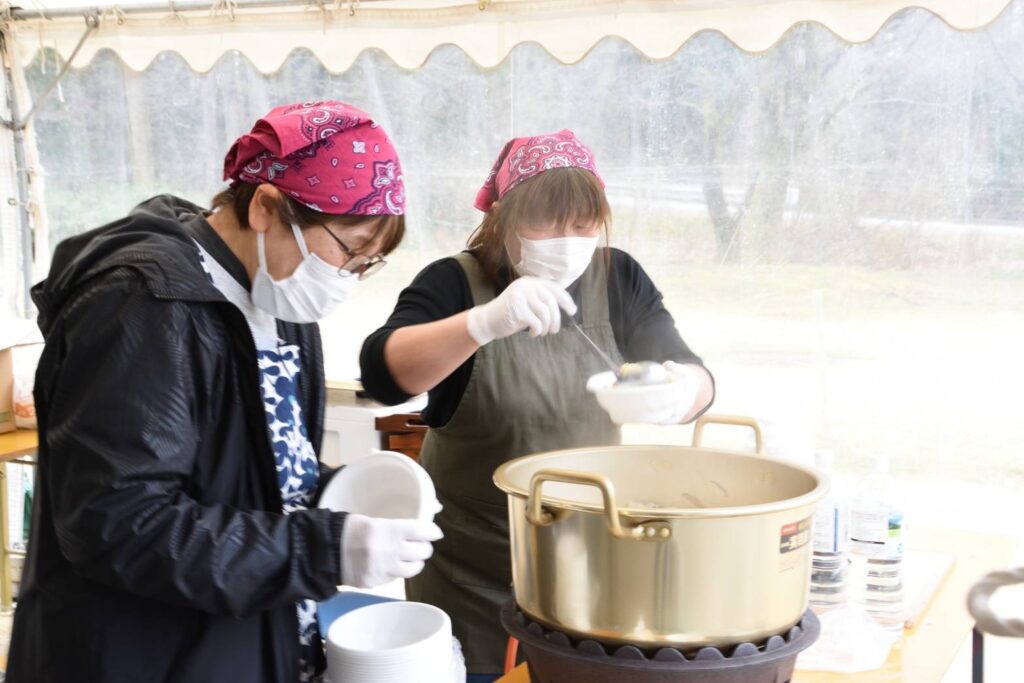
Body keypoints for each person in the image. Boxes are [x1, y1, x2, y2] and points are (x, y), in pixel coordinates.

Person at [7, 101, 442, 683]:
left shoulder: (276, 299)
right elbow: (118, 523)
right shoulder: (140, 304)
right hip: (145, 654)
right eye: (348, 249)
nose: (348, 275)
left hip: (240, 636)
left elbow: (250, 461)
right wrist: (320, 549)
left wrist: (352, 490)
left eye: (369, 262)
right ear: (265, 206)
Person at [359, 129, 715, 680]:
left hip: (590, 565)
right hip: (472, 574)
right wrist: (481, 323)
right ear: (501, 216)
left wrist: (681, 394)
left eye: (583, 224)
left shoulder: (616, 276)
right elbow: (383, 372)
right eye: (546, 222)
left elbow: (690, 369)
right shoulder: (454, 281)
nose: (568, 240)